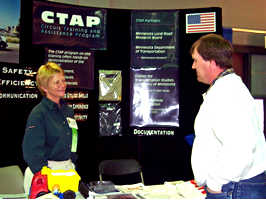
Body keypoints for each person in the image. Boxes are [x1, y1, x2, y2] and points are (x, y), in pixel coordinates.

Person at [190, 33, 266, 199]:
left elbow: (241, 146)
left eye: (196, 60)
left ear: (210, 61)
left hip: (232, 189)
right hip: (232, 187)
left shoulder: (228, 94)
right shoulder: (225, 89)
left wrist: (215, 184)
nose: (193, 66)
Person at [22, 62, 78, 196]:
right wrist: (45, 177)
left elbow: (73, 140)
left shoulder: (68, 111)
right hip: (45, 174)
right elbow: (31, 152)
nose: (62, 85)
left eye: (63, 80)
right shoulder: (38, 113)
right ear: (44, 87)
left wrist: (71, 162)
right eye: (57, 82)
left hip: (67, 171)